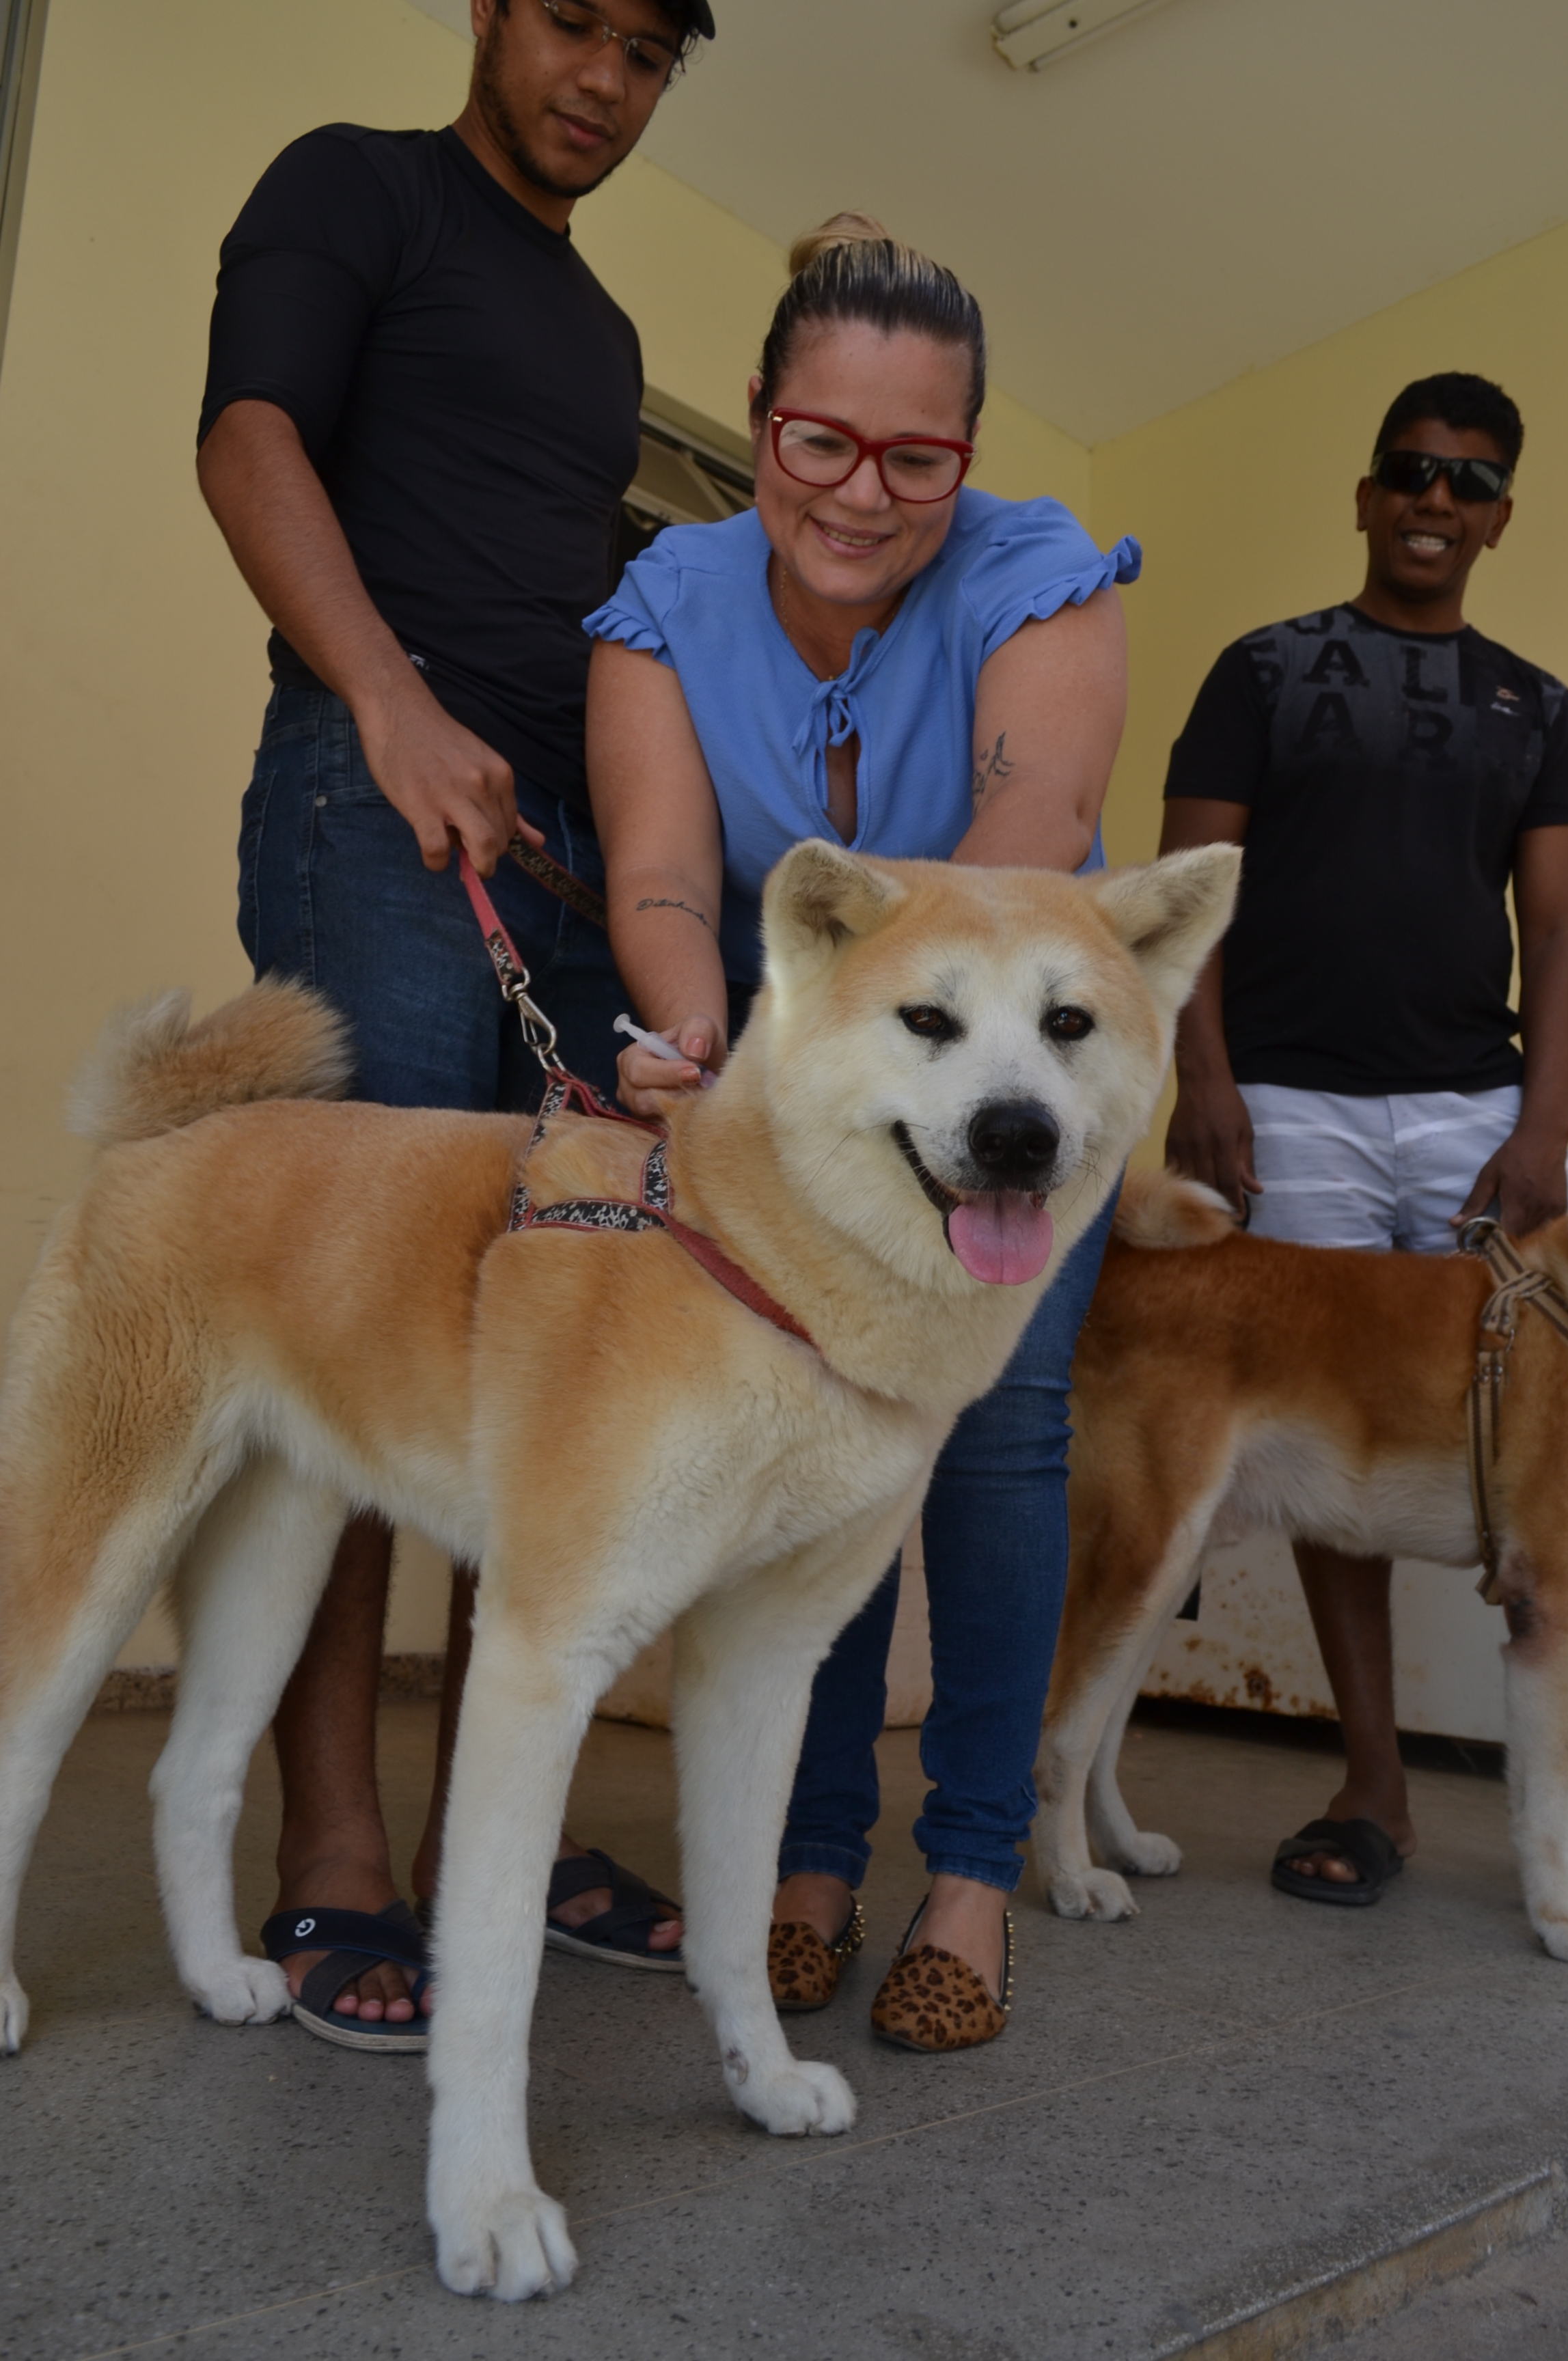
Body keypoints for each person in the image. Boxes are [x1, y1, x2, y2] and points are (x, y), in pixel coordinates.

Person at [194, 0, 715, 2045]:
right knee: (366, 1330)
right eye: (572, 21)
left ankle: (501, 1828)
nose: (603, 75)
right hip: (370, 797)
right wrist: (396, 707)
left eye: (651, 52)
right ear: (493, 15)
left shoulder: (599, 342)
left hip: (562, 861)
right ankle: (334, 1849)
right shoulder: (357, 183)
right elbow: (249, 442)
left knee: (553, 1346)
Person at [584, 215, 1139, 2049]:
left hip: (1002, 1070)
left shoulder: (1036, 571)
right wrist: (692, 1031)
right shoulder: (666, 600)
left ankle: (972, 1869)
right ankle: (809, 1857)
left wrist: (922, 1064)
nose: (863, 493)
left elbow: (1035, 813)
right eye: (821, 440)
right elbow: (664, 873)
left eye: (920, 456)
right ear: (759, 419)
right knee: (808, 1446)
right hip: (802, 1089)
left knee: (992, 1445)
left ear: (969, 461)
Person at [1159, 372, 1568, 1905]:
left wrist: (1547, 1126)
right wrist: (1204, 1084)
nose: (1434, 500)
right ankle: (1375, 1785)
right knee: (1327, 1436)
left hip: (1480, 1111)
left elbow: (1562, 925)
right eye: (1410, 471)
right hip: (1291, 1101)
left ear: (1500, 517)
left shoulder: (1539, 705)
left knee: (1550, 1427)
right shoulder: (1263, 671)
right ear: (1365, 493)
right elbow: (1185, 898)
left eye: (1468, 482)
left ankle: (1558, 1796)